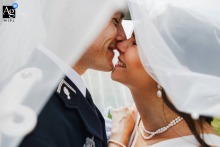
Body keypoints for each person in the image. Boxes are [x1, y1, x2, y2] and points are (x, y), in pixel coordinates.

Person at [18, 11, 127, 147]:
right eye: (115, 21)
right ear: (71, 16)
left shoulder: (63, 94)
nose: (123, 36)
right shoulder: (36, 111)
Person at [109, 30, 220, 146]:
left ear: (170, 71)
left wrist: (117, 140)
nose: (120, 45)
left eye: (136, 43)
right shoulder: (131, 118)